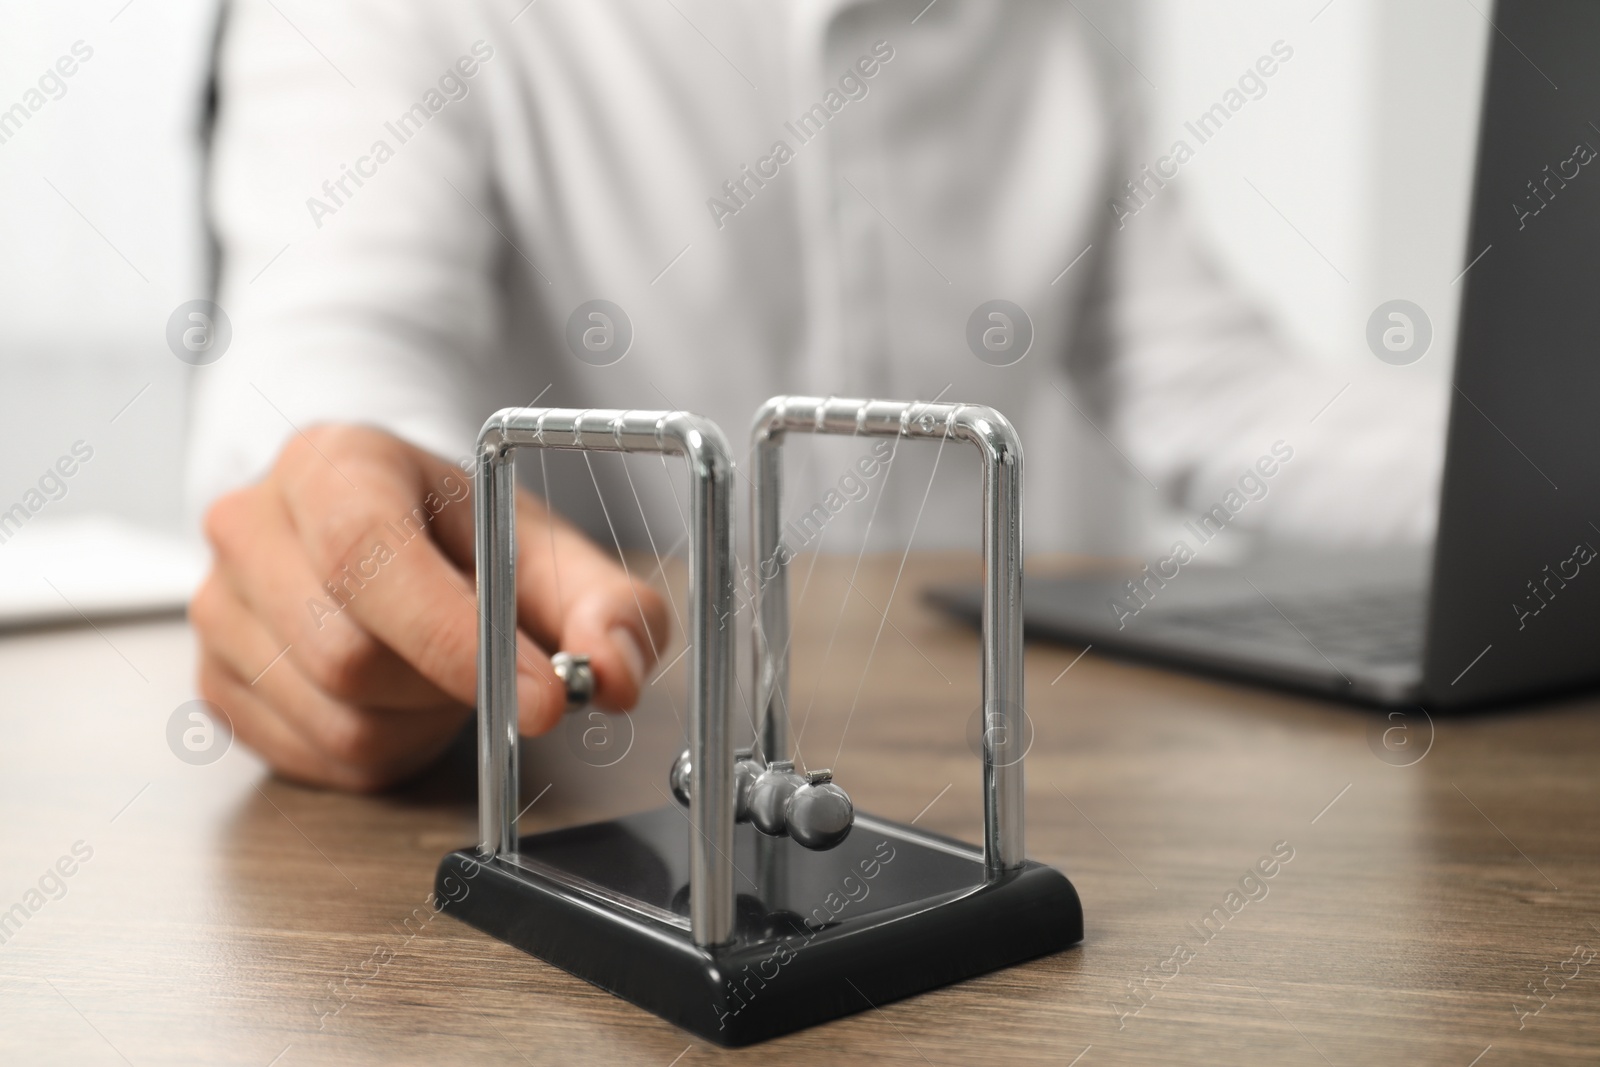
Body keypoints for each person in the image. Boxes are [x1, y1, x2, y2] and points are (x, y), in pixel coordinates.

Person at [188, 0, 1443, 790]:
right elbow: (330, 346)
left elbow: (1218, 388)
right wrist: (358, 518)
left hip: (971, 775)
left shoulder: (1042, 27)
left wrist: (1540, 465)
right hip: (605, 774)